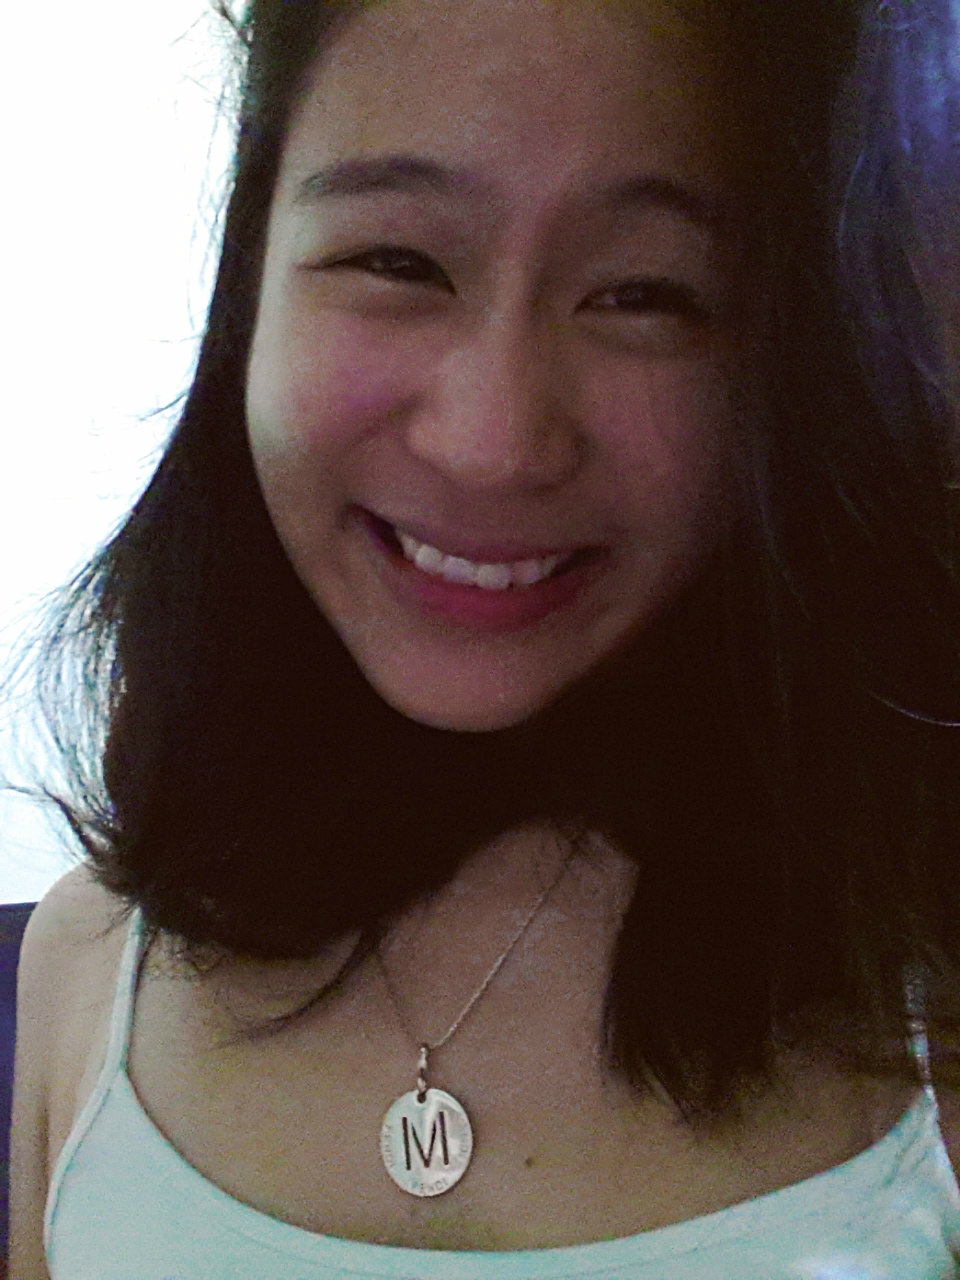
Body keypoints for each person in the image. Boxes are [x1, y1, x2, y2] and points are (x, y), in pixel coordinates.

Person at [9, 0, 960, 1274]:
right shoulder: (86, 969)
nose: (494, 441)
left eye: (646, 292)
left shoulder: (920, 987)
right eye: (399, 262)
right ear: (253, 279)